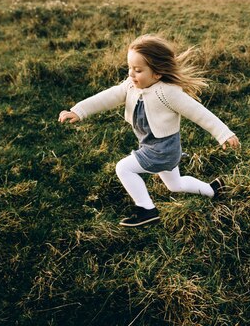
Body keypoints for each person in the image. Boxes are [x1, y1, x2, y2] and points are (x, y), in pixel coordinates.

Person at [58, 34, 240, 227]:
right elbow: (108, 96)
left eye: (138, 70)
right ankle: (213, 189)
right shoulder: (131, 86)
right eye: (129, 68)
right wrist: (79, 111)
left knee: (124, 168)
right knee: (175, 185)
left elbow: (200, 113)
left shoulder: (168, 92)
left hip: (161, 150)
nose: (131, 74)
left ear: (157, 73)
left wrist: (223, 134)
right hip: (158, 147)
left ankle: (146, 210)